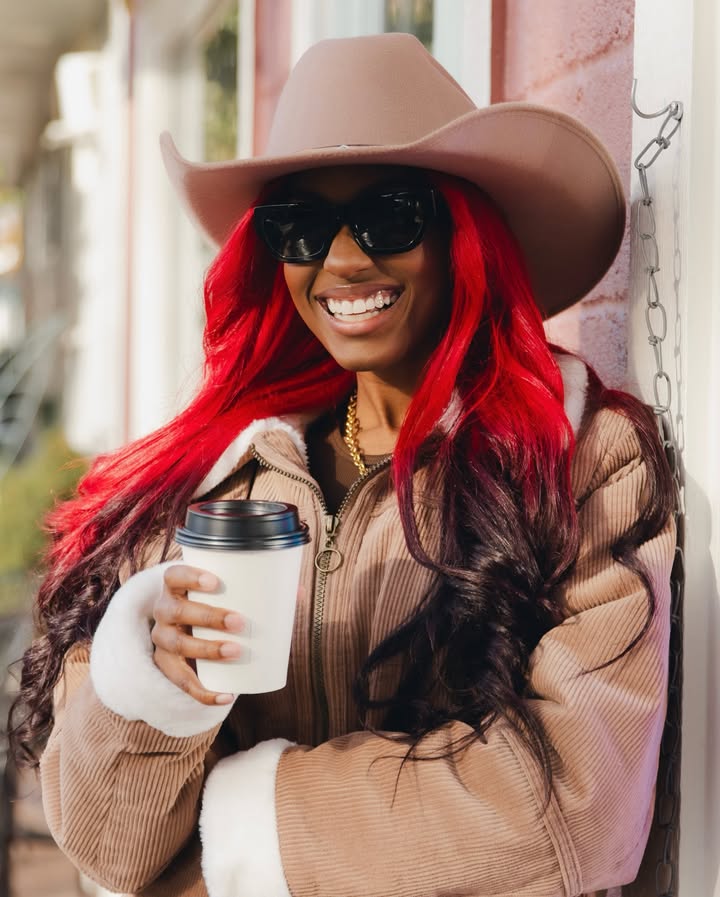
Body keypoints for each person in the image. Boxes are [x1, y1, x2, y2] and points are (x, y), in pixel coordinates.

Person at [10, 32, 675, 897]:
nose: (343, 261)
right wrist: (150, 691)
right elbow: (109, 848)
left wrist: (235, 848)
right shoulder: (215, 482)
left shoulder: (578, 460)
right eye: (302, 228)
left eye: (391, 216)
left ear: (463, 235)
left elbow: (576, 811)